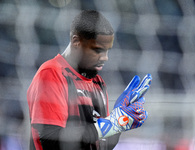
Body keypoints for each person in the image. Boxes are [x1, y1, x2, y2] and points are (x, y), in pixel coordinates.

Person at [27, 10, 152, 150]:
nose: (105, 58)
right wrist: (111, 124)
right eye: (98, 50)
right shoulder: (52, 73)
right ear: (76, 41)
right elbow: (51, 141)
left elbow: (102, 145)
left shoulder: (98, 84)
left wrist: (120, 123)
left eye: (107, 50)